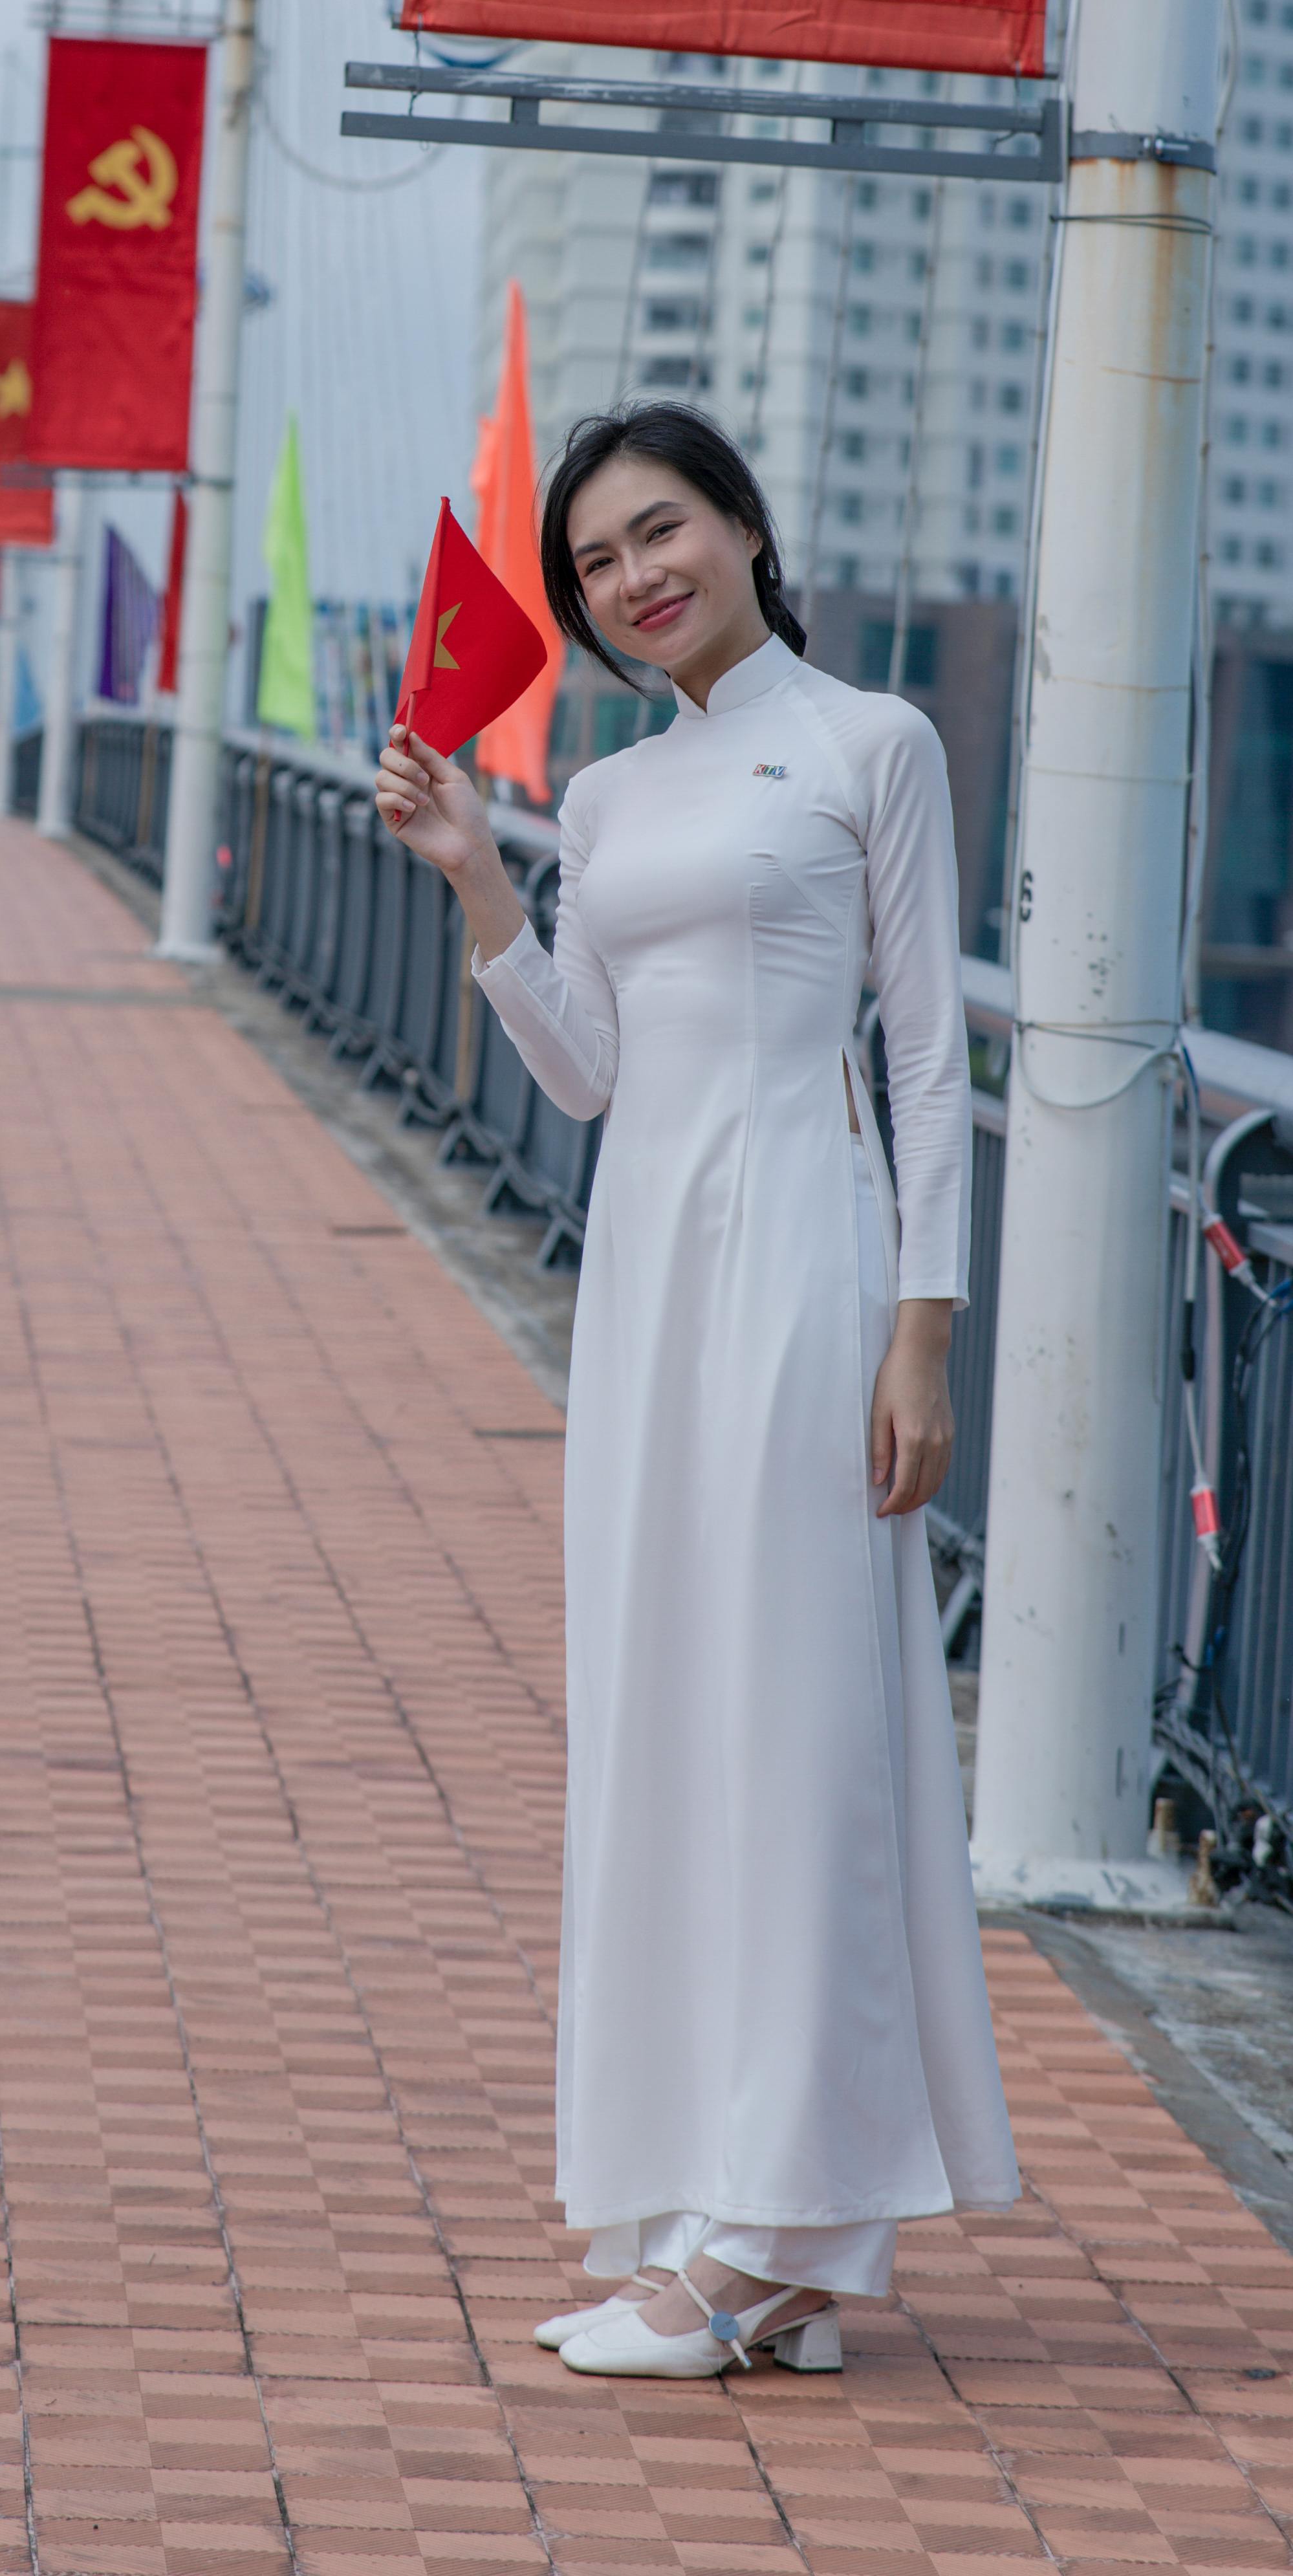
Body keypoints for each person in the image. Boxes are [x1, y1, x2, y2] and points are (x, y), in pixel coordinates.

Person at [374, 400, 1014, 2381]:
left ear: (741, 522)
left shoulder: (868, 742)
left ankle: (764, 2238)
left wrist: (925, 1325)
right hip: (650, 1280)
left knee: (806, 1720)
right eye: (595, 565)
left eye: (661, 529)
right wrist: (482, 876)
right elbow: (581, 1066)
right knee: (674, 1717)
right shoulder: (614, 789)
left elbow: (924, 1054)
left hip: (806, 1262)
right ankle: (755, 2221)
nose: (635, 575)